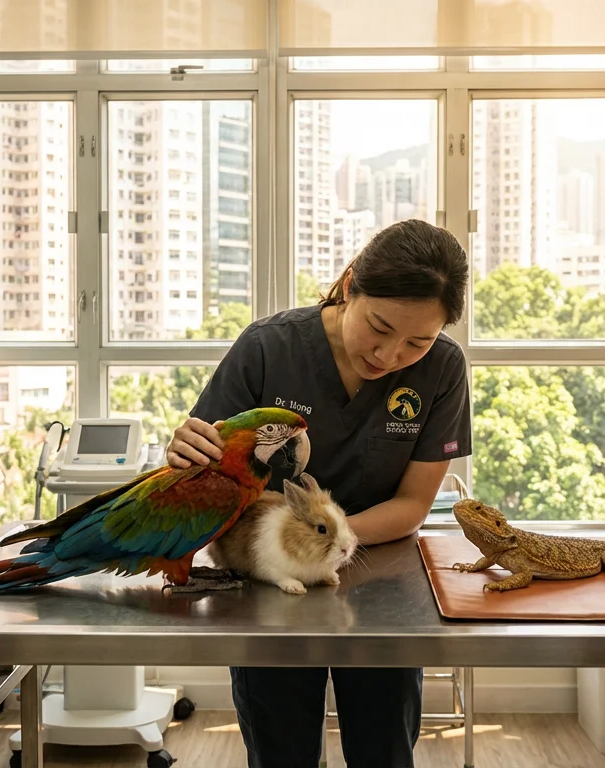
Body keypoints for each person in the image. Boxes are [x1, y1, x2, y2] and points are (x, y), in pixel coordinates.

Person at [166, 218, 473, 768]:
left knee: (383, 748)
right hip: (269, 587)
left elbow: (412, 506)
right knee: (281, 748)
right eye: (379, 327)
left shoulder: (444, 369)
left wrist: (333, 542)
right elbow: (214, 477)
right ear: (350, 283)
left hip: (379, 581)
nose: (389, 354)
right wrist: (186, 456)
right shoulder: (268, 348)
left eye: (417, 342)